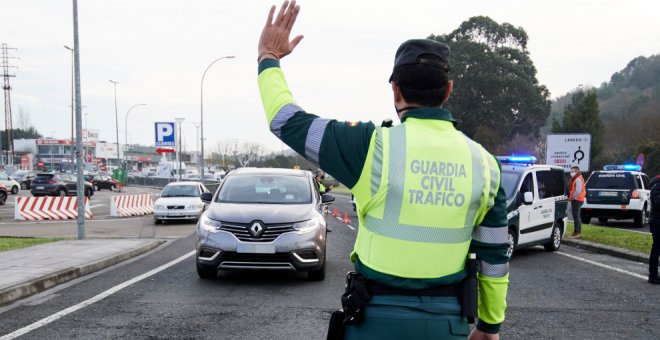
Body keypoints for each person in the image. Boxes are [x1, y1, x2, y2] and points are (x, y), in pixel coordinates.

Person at [256, 1, 509, 339]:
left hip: (373, 322)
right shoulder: (485, 165)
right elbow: (494, 256)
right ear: (447, 91)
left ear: (395, 89)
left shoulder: (369, 147)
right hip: (447, 325)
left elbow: (284, 120)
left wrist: (267, 58)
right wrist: (491, 325)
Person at [568, 166, 586, 238]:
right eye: (571, 171)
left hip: (577, 199)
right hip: (578, 199)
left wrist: (572, 197)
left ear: (577, 172)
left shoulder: (578, 179)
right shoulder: (577, 178)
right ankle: (578, 232)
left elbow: (578, 191)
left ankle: (577, 232)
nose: (571, 173)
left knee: (576, 216)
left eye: (573, 171)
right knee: (577, 216)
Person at [649, 175, 660, 284]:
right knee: (656, 249)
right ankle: (653, 275)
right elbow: (658, 202)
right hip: (657, 222)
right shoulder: (657, 185)